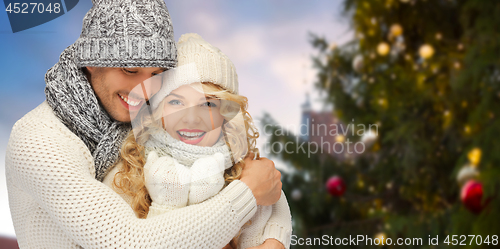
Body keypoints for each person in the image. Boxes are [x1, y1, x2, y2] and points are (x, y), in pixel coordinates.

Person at [5, 0, 283, 248]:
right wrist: (247, 193)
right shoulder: (38, 141)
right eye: (129, 70)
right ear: (91, 63)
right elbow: (128, 241)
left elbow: (260, 179)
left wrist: (273, 237)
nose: (143, 89)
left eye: (156, 73)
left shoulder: (142, 117)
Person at [103, 34, 292, 249]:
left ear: (226, 115)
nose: (191, 118)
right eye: (176, 102)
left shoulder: (251, 173)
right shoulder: (124, 177)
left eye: (208, 104)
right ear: (157, 112)